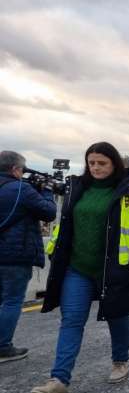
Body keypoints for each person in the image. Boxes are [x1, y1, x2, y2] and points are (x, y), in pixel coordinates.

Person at [30, 142, 129, 393]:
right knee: (72, 320)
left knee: (116, 315)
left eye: (102, 163)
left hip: (113, 268)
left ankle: (120, 360)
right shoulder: (78, 188)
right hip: (77, 268)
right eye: (91, 163)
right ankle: (59, 380)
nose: (96, 167)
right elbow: (65, 224)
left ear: (114, 164)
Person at [0, 151, 57, 363]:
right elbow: (49, 212)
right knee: (12, 301)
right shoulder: (21, 190)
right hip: (14, 256)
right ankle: (3, 347)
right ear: (15, 169)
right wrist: (47, 191)